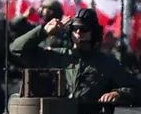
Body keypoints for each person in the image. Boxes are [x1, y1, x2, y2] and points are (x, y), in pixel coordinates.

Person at [9, 8, 141, 106]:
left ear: (93, 33)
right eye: (75, 28)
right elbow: (16, 49)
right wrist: (43, 32)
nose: (78, 33)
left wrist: (118, 93)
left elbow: (135, 88)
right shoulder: (56, 56)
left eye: (84, 30)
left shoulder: (106, 63)